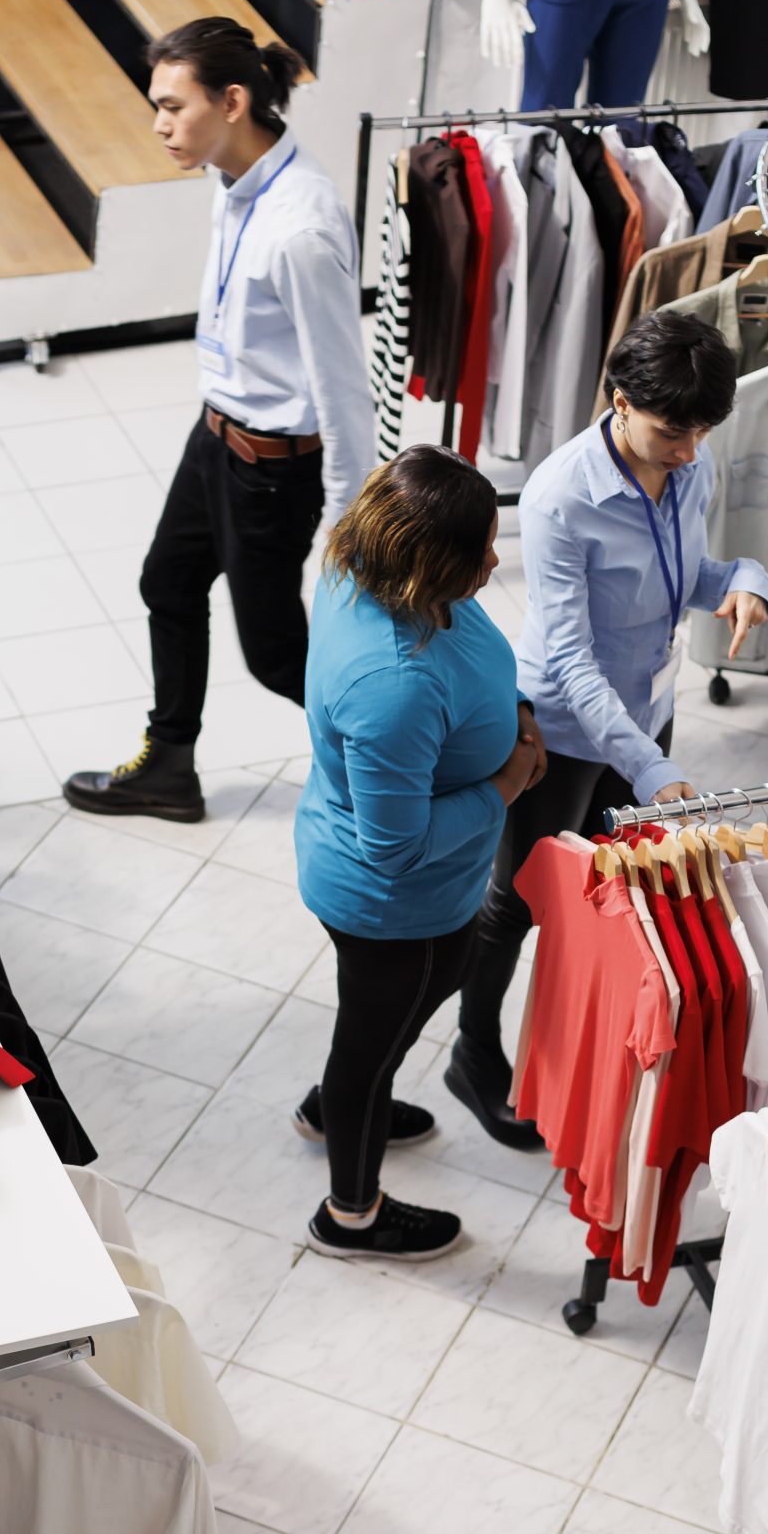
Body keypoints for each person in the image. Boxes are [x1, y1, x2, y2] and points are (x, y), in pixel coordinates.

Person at [445, 307, 768, 1147]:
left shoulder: (686, 467)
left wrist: (747, 581)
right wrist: (648, 765)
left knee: (617, 897)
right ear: (619, 400)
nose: (690, 451)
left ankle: (581, 1043)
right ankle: (473, 1054)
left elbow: (687, 577)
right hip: (559, 733)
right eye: (674, 431)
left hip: (643, 719)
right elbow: (569, 661)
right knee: (514, 903)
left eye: (701, 432)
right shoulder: (560, 498)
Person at [65, 18, 374, 824]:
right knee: (165, 581)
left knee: (278, 658)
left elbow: (343, 385)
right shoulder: (232, 182)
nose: (159, 124)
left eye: (173, 106)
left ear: (232, 101)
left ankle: (404, 760)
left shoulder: (300, 227)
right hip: (217, 437)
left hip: (273, 469)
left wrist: (349, 517)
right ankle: (168, 765)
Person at [294, 448, 546, 1263]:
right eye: (479, 550)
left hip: (420, 892)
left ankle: (336, 1104)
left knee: (388, 1017)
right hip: (389, 902)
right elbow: (395, 848)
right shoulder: (390, 681)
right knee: (372, 1040)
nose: (492, 560)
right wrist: (506, 782)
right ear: (427, 562)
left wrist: (507, 716)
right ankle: (351, 1214)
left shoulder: (363, 562)